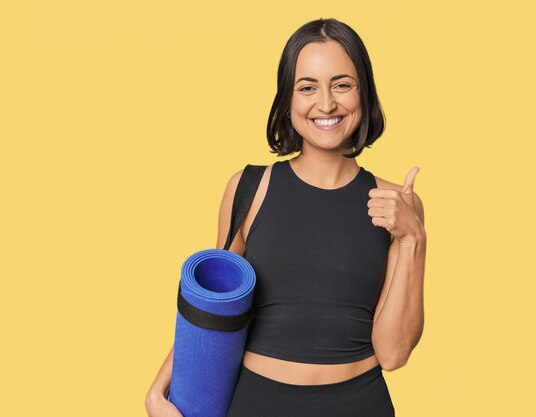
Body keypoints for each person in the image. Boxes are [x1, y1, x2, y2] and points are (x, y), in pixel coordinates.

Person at [145, 17, 426, 417]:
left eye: (342, 84)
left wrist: (412, 238)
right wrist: (159, 390)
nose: (326, 104)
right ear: (287, 99)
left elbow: (394, 353)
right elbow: (214, 310)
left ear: (363, 92)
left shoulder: (398, 204)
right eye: (307, 87)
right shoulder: (249, 188)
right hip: (257, 404)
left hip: (359, 404)